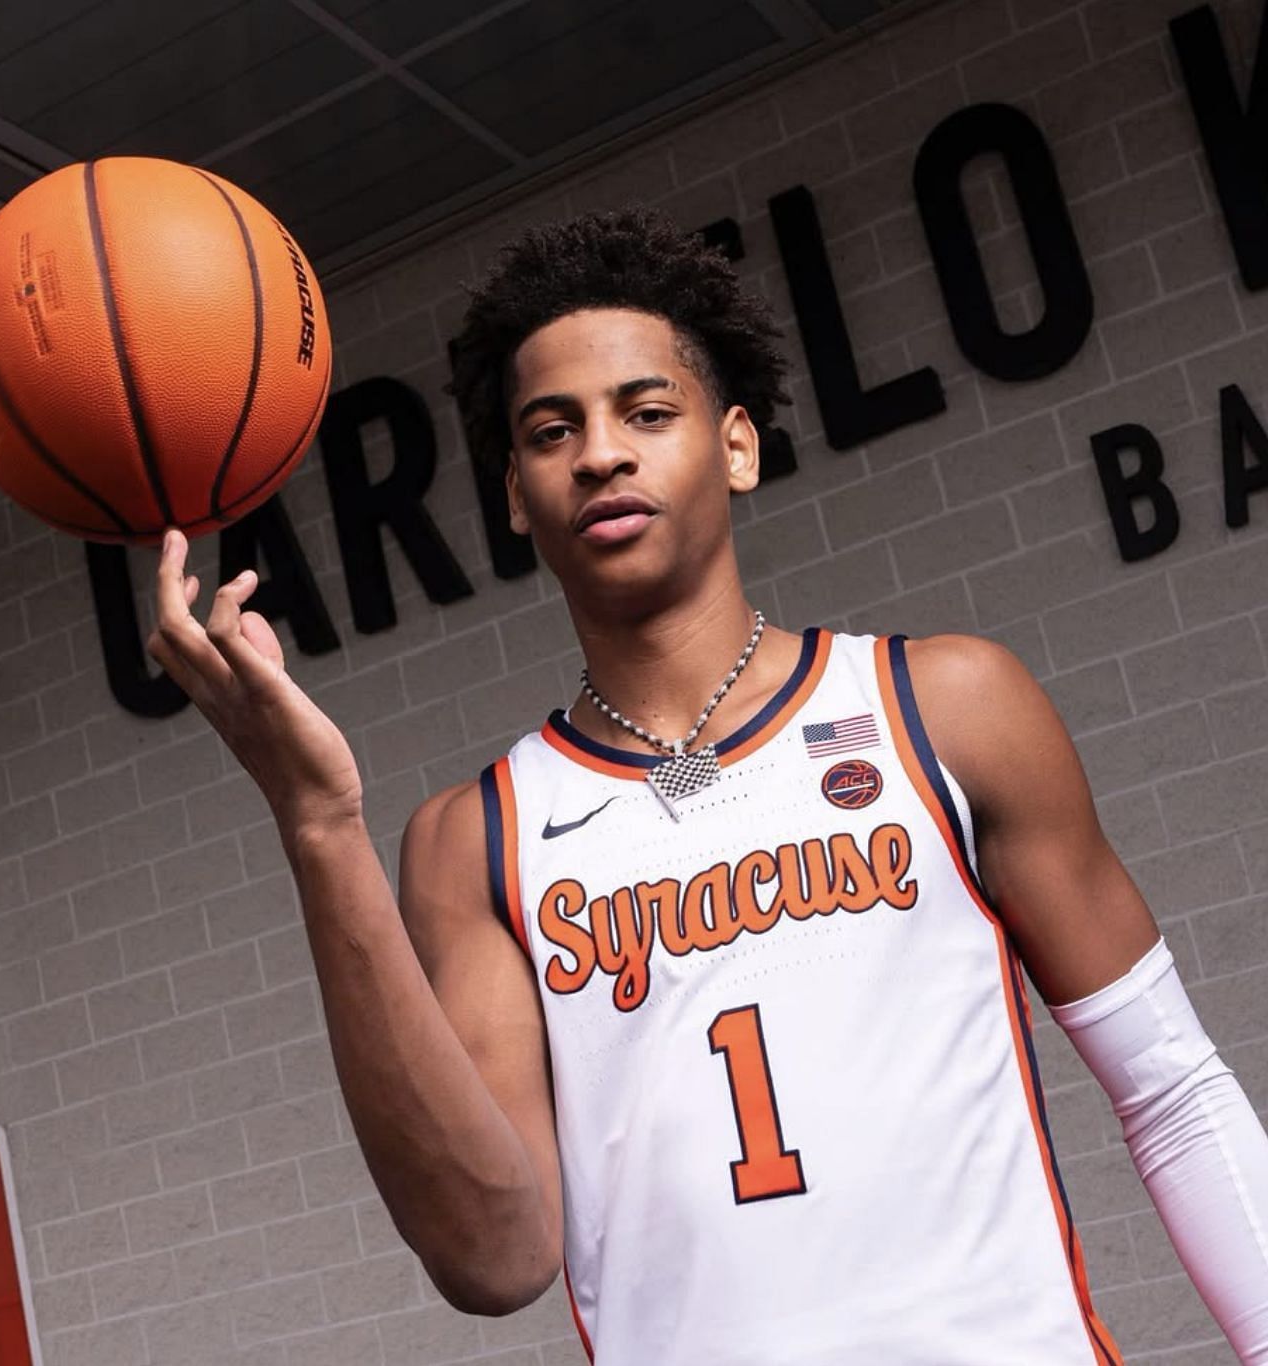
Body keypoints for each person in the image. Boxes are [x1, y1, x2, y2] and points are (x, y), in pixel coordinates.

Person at [148, 209, 1268, 1364]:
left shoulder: (943, 704)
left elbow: (1170, 1092)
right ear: (514, 496)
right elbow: (492, 1258)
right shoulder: (472, 839)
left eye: (644, 411)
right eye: (550, 430)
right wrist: (319, 824)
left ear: (735, 445)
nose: (599, 453)